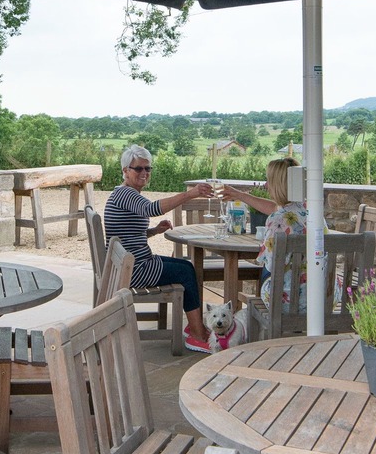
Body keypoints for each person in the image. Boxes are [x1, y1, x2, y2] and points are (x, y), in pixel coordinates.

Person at [104, 145, 215, 353]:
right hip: (133, 272)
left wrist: (154, 231)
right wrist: (190, 194)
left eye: (148, 169)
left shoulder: (123, 194)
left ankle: (194, 327)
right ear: (125, 170)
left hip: (130, 265)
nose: (144, 173)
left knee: (187, 266)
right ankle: (197, 335)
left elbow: (127, 234)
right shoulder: (126, 194)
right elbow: (151, 208)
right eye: (138, 169)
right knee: (186, 272)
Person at [224, 158, 307, 309]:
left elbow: (271, 264)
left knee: (266, 271)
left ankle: (257, 323)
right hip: (324, 297)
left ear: (278, 184)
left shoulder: (277, 221)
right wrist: (240, 195)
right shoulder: (310, 210)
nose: (266, 185)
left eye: (269, 180)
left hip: (290, 300)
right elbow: (278, 209)